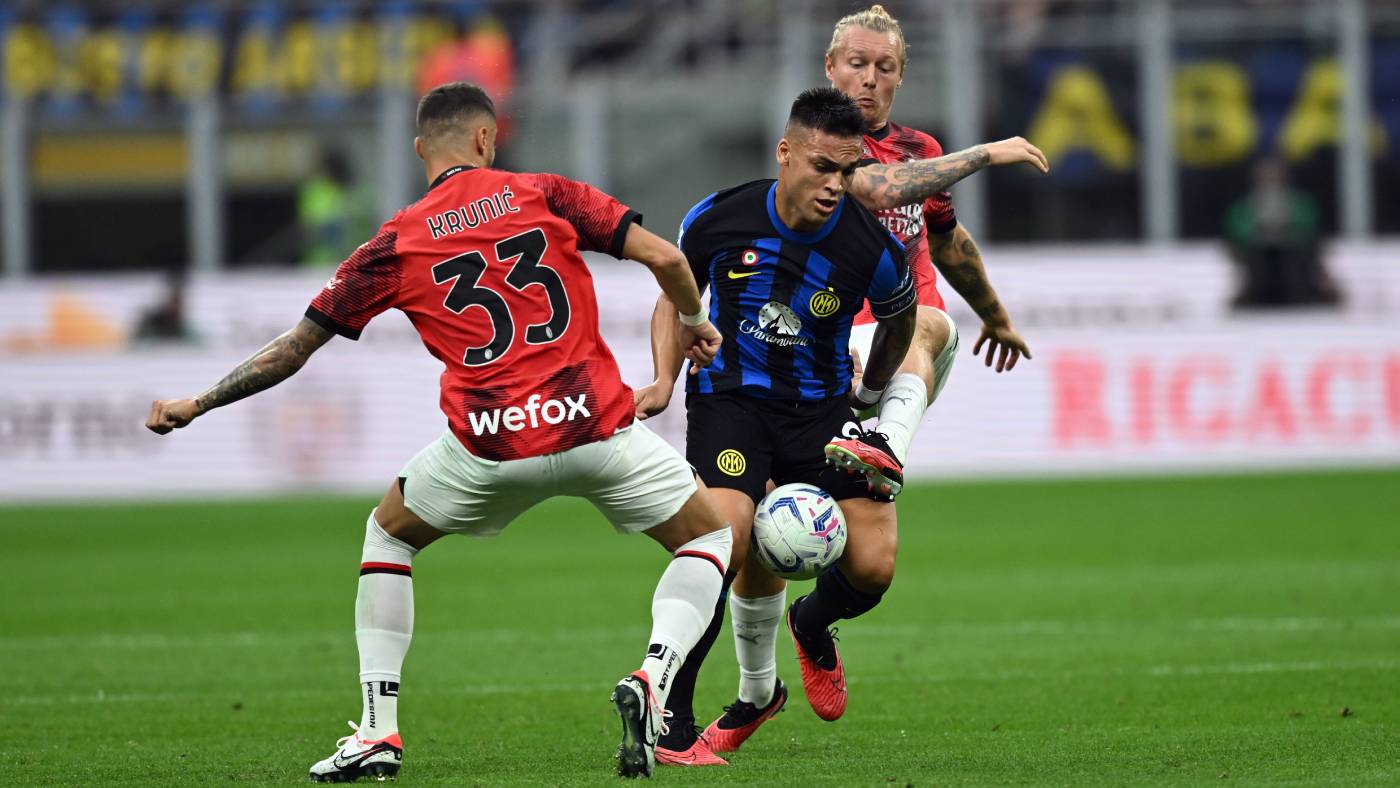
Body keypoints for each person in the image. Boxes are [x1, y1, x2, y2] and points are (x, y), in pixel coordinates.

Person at [145, 82, 733, 781]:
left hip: (490, 447)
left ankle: (377, 731)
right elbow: (669, 260)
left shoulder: (396, 240)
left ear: (420, 148)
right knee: (709, 537)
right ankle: (653, 680)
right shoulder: (546, 192)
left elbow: (294, 349)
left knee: (388, 536)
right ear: (486, 138)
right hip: (596, 428)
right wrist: (695, 322)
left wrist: (199, 402)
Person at [640, 7, 1046, 763]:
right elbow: (874, 188)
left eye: (885, 67)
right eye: (856, 63)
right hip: (755, 386)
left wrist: (991, 316)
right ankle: (711, 705)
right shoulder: (775, 185)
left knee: (873, 561)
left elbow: (941, 243)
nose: (869, 77)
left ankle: (813, 614)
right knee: (734, 540)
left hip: (849, 379)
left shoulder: (895, 186)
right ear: (829, 69)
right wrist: (664, 375)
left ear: (902, 77)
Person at [1224, 156, 1338, 308]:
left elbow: (1310, 231)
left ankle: (1301, 294)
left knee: (1295, 259)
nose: (1271, 181)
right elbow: (1238, 235)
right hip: (1258, 260)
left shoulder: (1302, 204)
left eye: (1275, 176)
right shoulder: (1242, 208)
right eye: (1266, 176)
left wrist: (1286, 231)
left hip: (1295, 260)